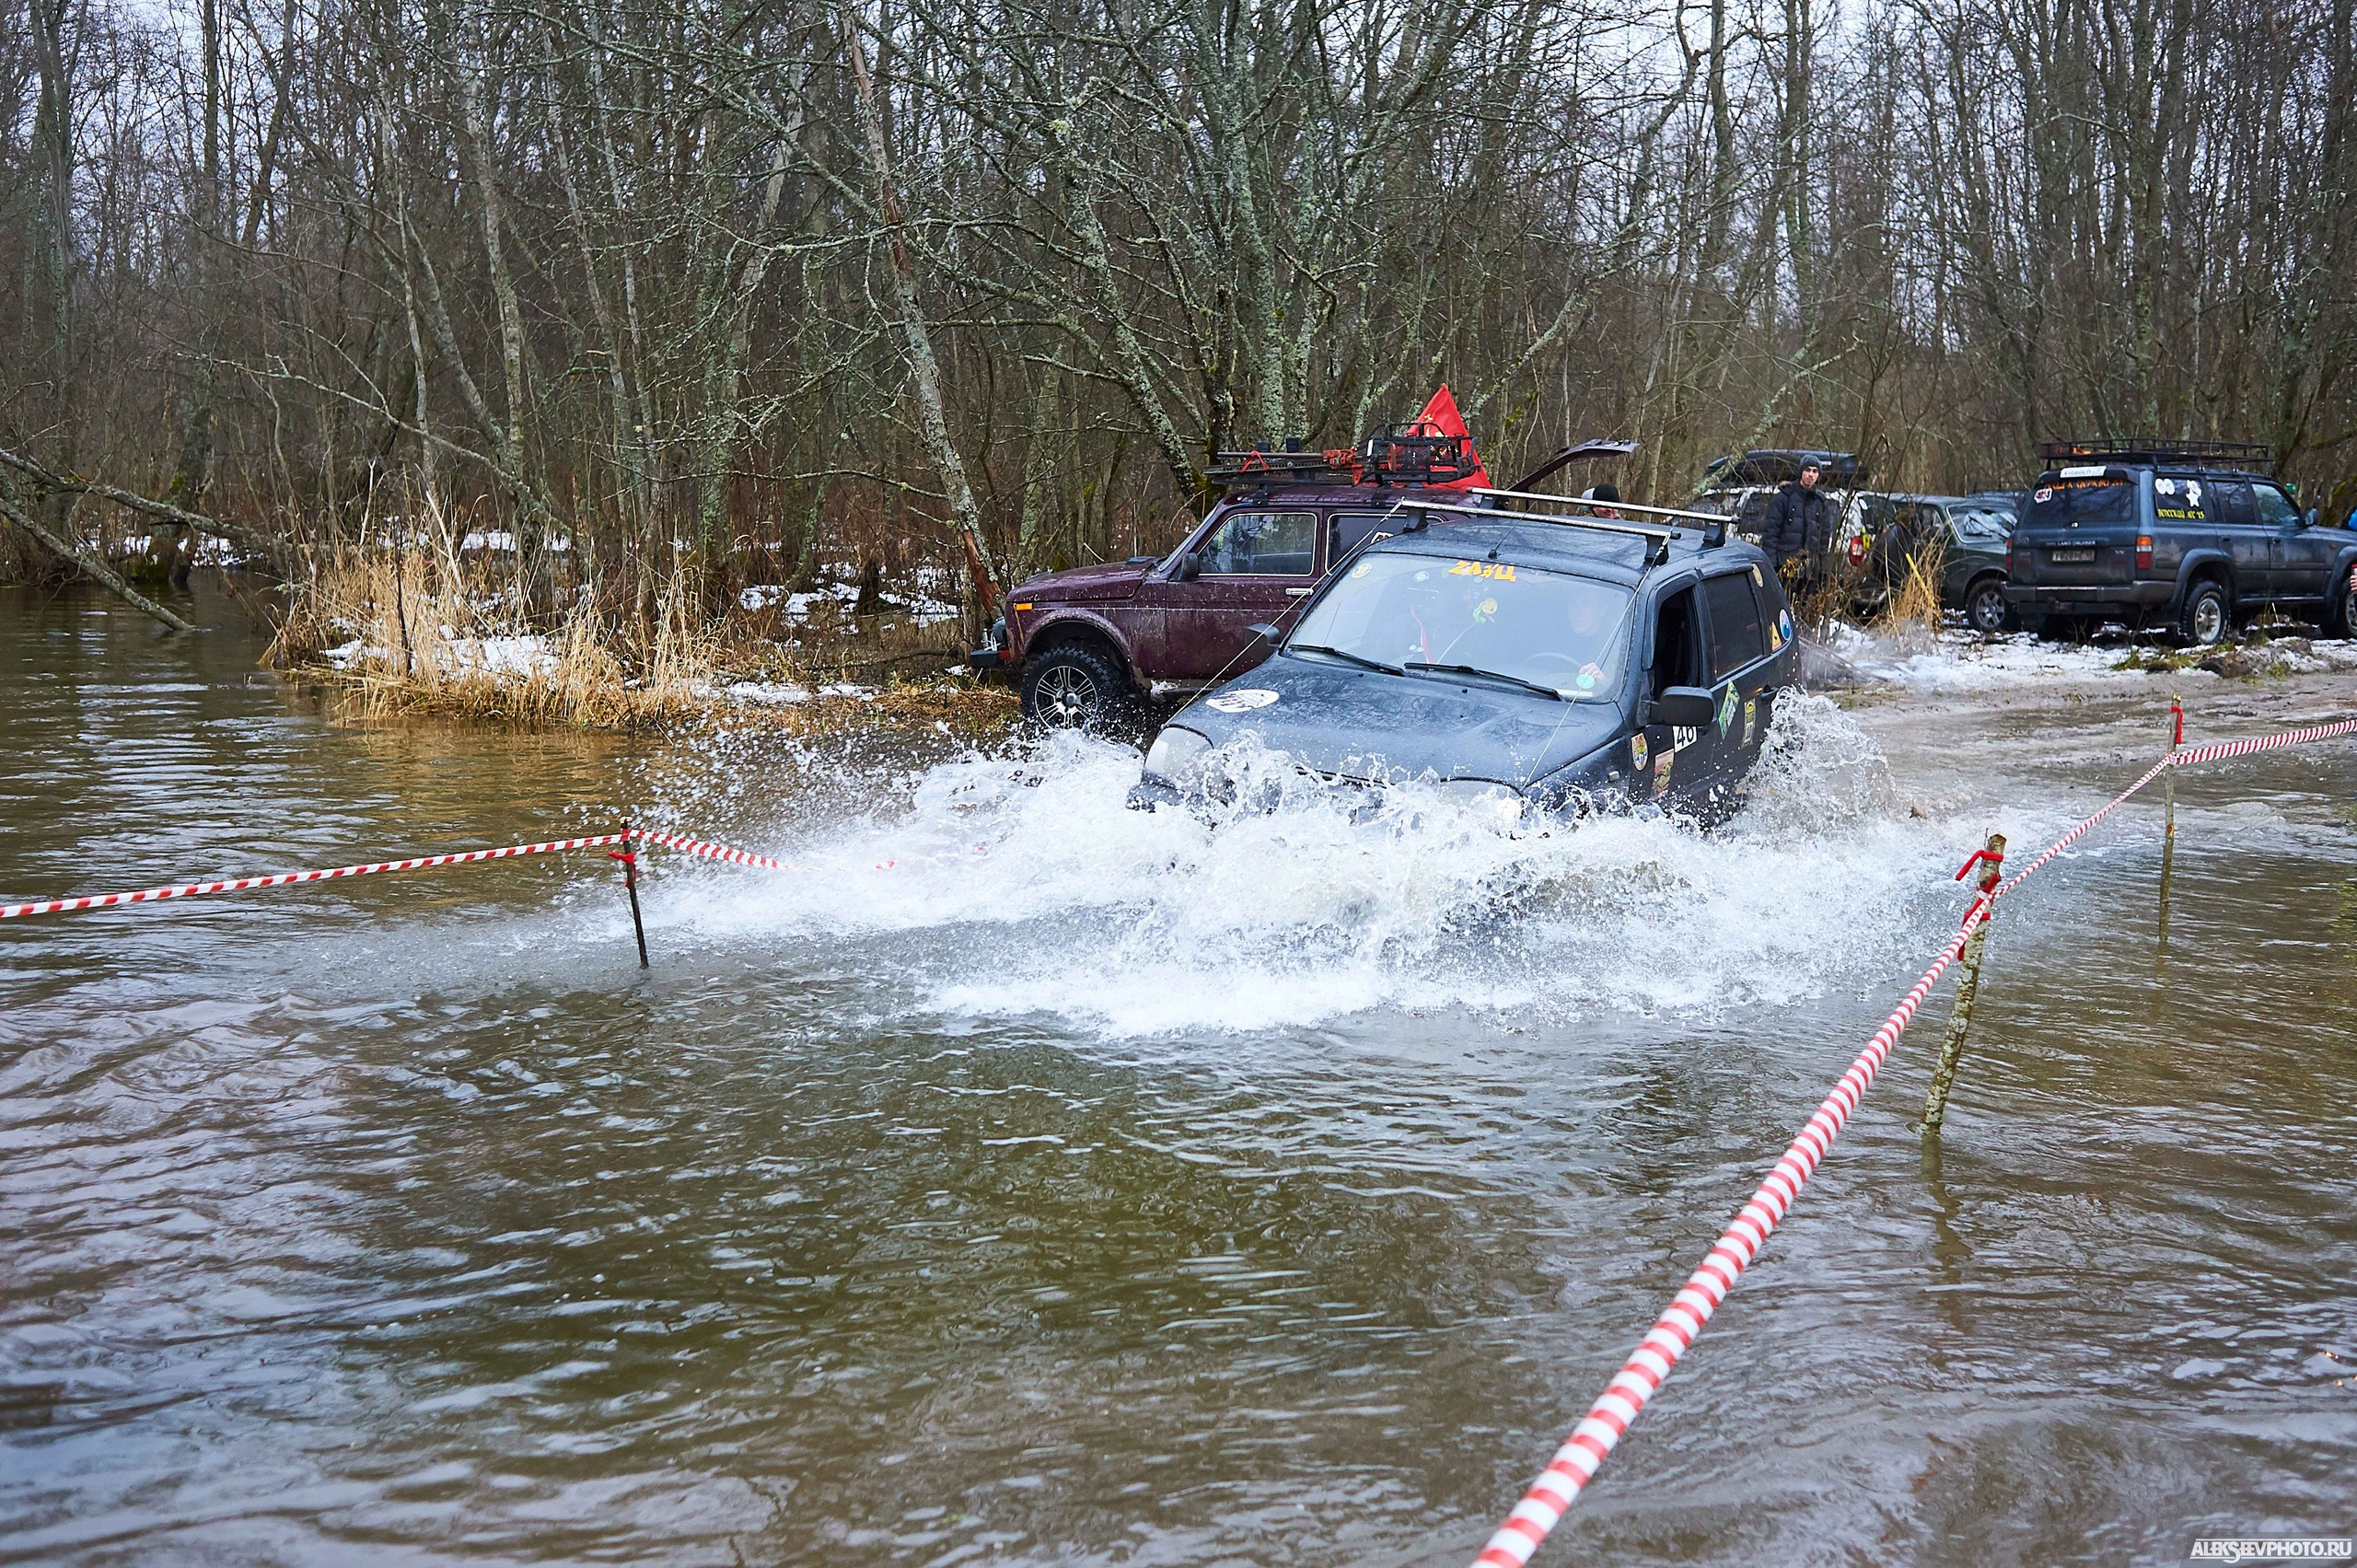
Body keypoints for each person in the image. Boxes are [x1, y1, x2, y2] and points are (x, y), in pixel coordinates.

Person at [1765, 460, 1834, 586]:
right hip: (1785, 567)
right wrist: (1772, 565)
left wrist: (1823, 569)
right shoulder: (1784, 498)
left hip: (1810, 572)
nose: (1810, 475)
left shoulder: (1820, 502)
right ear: (1801, 472)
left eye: (1815, 471)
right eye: (1807, 470)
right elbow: (1770, 534)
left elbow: (1824, 540)